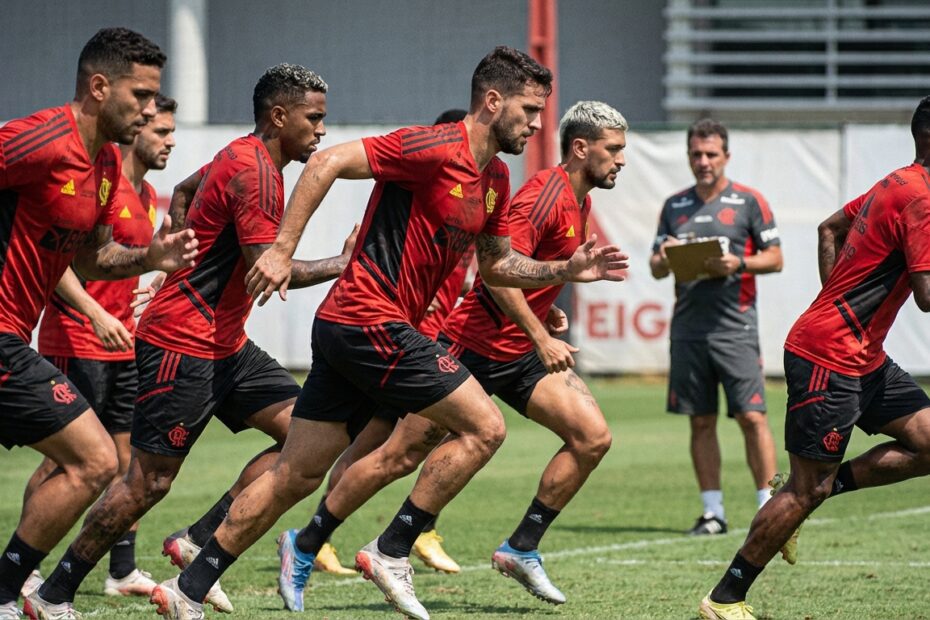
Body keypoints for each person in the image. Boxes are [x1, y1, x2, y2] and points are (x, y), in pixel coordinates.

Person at [154, 46, 627, 620]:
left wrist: (564, 271)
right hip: (366, 319)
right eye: (529, 109)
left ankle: (188, 586)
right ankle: (391, 549)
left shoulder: (498, 176)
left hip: (355, 329)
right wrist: (281, 249)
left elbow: (500, 265)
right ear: (492, 100)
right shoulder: (433, 147)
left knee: (296, 474)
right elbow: (326, 162)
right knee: (484, 426)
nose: (536, 123)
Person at [25, 63, 352, 619]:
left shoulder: (242, 156)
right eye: (314, 118)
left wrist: (175, 258)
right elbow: (266, 270)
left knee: (311, 438)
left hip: (226, 345)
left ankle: (198, 539)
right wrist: (343, 264)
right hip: (183, 344)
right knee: (145, 483)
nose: (322, 131)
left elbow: (184, 189)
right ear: (279, 116)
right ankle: (52, 592)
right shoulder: (256, 175)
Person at [699, 96, 930, 620]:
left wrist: (837, 304)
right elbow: (926, 293)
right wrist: (838, 315)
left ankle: (819, 490)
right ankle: (724, 598)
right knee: (808, 490)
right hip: (830, 357)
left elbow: (830, 229)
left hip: (861, 356)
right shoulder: (920, 199)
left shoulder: (896, 181)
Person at [0, 27, 198, 620]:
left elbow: (92, 258)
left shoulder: (107, 161)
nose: (148, 110)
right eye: (140, 96)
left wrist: (151, 259)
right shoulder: (40, 138)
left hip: (15, 334)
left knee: (93, 459)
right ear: (99, 85)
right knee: (93, 459)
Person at [21, 94, 179, 601]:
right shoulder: (92, 180)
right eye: (160, 131)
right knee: (63, 461)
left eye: (172, 132)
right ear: (137, 131)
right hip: (76, 340)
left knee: (126, 461)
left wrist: (153, 276)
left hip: (123, 345)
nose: (169, 141)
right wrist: (95, 312)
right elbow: (64, 260)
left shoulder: (145, 192)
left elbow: (117, 260)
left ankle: (122, 570)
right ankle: (25, 567)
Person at [307, 108, 471, 579]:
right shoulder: (425, 191)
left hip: (423, 342)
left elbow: (459, 279)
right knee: (390, 449)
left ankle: (326, 537)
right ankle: (324, 538)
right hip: (400, 342)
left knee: (402, 448)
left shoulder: (462, 219)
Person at [649, 118, 782, 535]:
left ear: (726, 156)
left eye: (710, 154)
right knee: (700, 421)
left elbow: (776, 258)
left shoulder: (748, 201)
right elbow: (655, 268)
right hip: (688, 329)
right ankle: (713, 513)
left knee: (752, 417)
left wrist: (738, 263)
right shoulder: (674, 206)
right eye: (696, 154)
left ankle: (769, 508)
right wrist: (667, 255)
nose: (703, 161)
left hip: (734, 328)